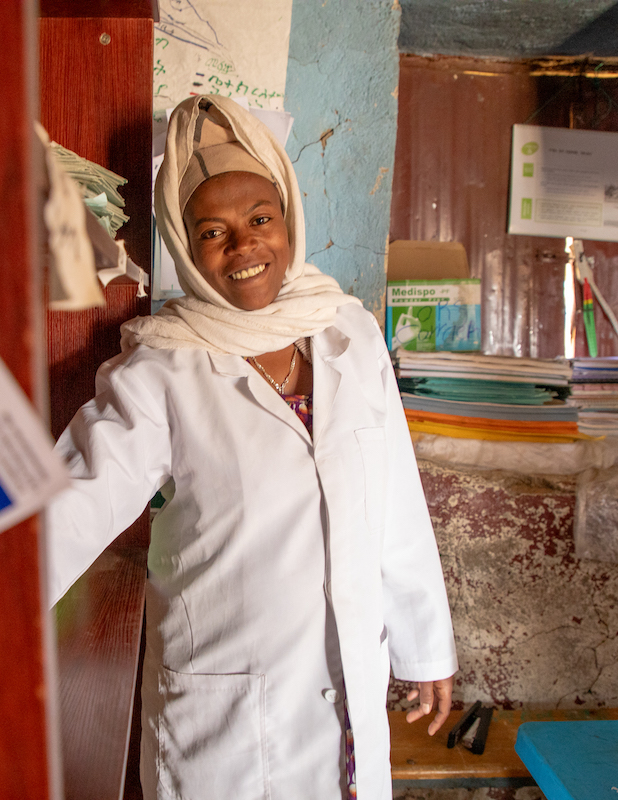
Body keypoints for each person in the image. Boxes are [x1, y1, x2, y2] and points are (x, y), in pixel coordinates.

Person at [45, 94, 456, 800]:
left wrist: (425, 647)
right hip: (228, 723)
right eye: (213, 231)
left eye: (259, 218)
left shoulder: (348, 334)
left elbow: (393, 498)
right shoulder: (159, 373)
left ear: (288, 217)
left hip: (347, 699)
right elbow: (66, 509)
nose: (244, 246)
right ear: (184, 243)